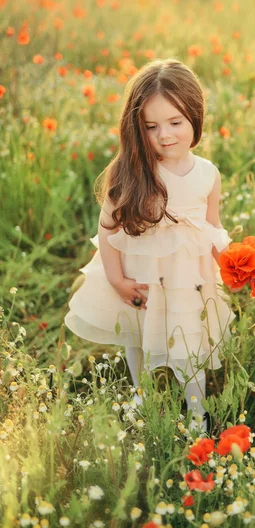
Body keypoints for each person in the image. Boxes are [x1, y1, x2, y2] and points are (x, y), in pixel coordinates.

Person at [64, 58, 237, 434]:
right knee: (138, 334)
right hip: (139, 278)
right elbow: (107, 230)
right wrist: (116, 280)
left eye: (176, 122)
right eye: (151, 126)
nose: (165, 135)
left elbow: (211, 224)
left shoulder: (207, 173)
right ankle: (141, 392)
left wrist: (232, 260)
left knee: (191, 342)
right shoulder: (129, 173)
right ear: (136, 127)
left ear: (195, 118)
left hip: (187, 278)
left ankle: (196, 413)